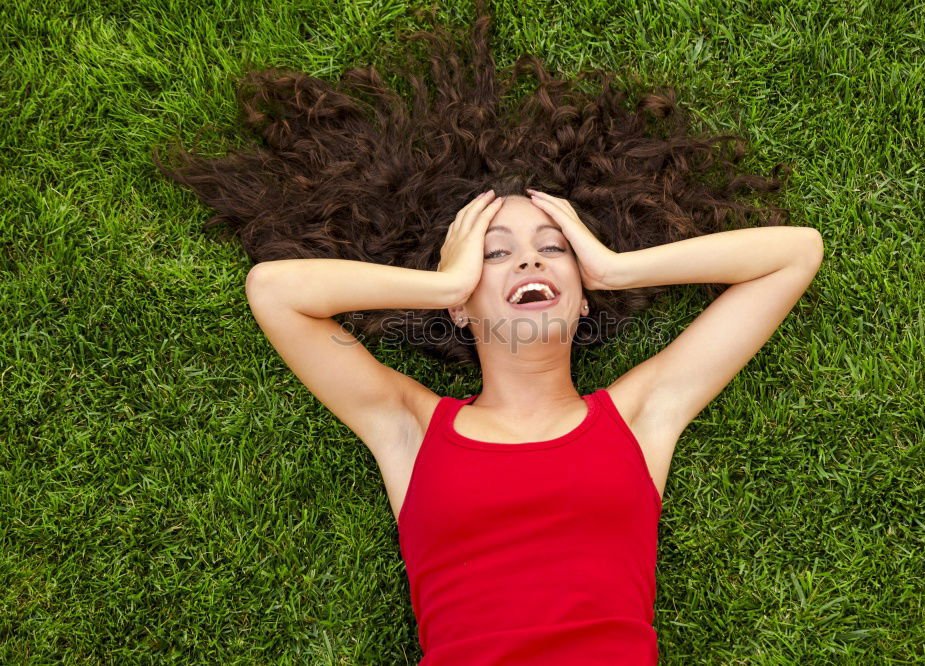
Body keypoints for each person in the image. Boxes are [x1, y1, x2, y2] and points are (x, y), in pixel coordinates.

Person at [153, 1, 823, 662]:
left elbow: (794, 253)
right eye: (494, 254)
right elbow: (275, 292)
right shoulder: (410, 429)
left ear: (584, 297)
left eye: (554, 247)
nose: (529, 259)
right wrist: (442, 283)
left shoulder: (644, 415)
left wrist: (614, 268)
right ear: (462, 308)